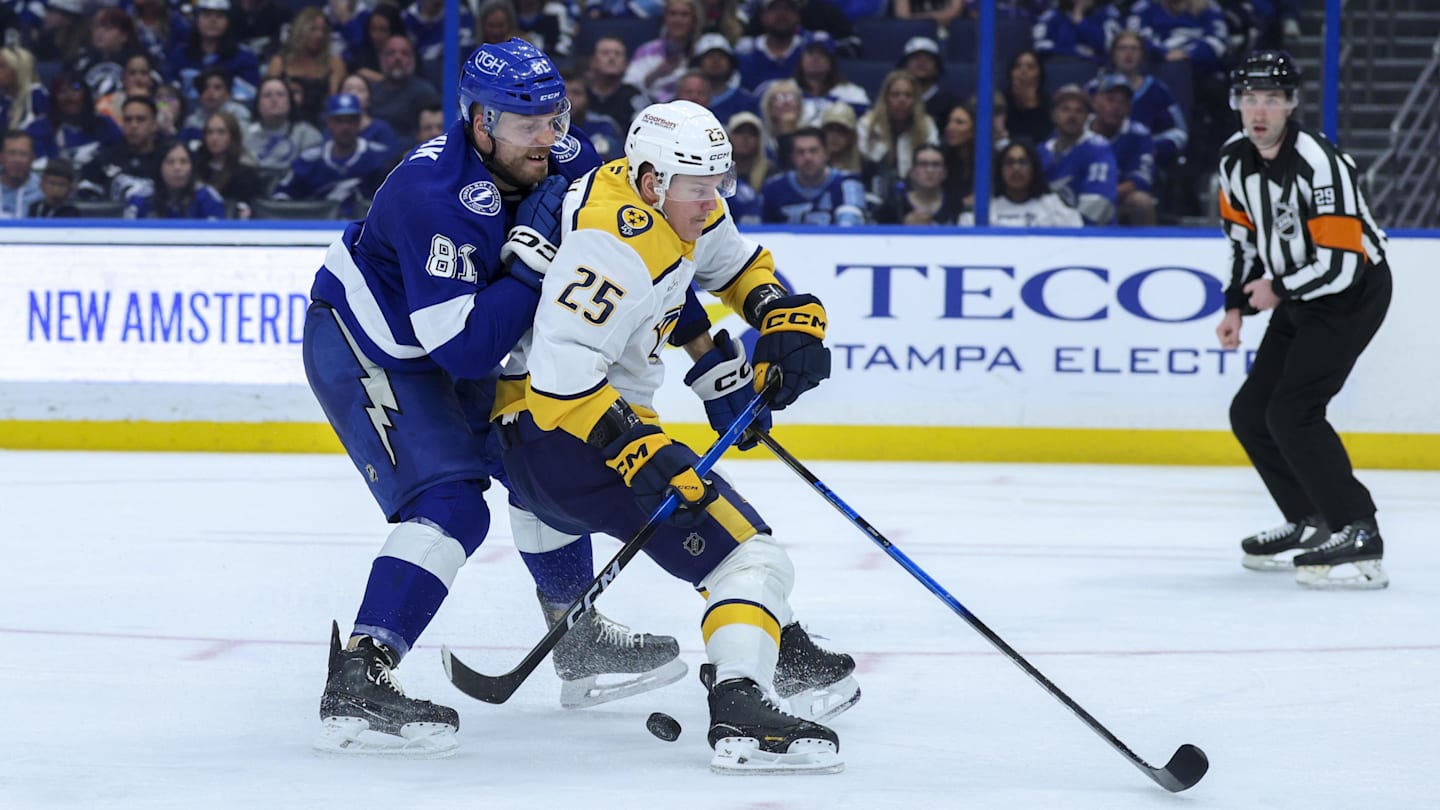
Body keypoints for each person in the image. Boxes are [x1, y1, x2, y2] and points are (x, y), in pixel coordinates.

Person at [302, 39, 686, 758]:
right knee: (451, 503)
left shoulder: (572, 158)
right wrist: (536, 261)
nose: (548, 138)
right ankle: (362, 670)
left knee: (541, 457)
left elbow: (639, 258)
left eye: (555, 116)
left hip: (453, 334)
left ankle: (576, 637)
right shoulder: (430, 198)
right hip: (369, 345)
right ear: (479, 123)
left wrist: (705, 352)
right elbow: (465, 350)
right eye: (524, 123)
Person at [495, 98, 847, 773]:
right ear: (653, 181)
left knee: (719, 528)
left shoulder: (676, 199)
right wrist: (633, 444)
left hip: (538, 455)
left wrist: (778, 315)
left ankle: (785, 648)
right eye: (700, 188)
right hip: (566, 437)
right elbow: (560, 375)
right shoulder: (609, 240)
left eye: (721, 184)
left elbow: (735, 267)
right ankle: (741, 703)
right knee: (752, 557)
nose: (713, 202)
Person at [1215, 51, 1392, 590]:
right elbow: (1244, 242)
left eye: (1271, 99)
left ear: (1290, 104)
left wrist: (1277, 291)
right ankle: (1309, 518)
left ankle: (1358, 527)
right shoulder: (1234, 161)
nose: (1259, 110)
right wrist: (1235, 305)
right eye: (1250, 99)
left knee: (1294, 410)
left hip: (1351, 294)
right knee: (1250, 412)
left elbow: (1342, 266)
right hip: (1299, 292)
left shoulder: (1319, 163)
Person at [271, 92, 392, 216]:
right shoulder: (309, 160)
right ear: (328, 122)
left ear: (359, 122)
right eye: (339, 121)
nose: (346, 127)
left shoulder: (379, 158)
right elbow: (281, 196)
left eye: (351, 121)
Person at [1036, 83, 1117, 225]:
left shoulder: (1097, 148)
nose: (1072, 116)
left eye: (1079, 111)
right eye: (1065, 109)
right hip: (1049, 230)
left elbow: (1099, 201)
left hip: (1092, 235)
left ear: (1087, 117)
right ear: (1054, 114)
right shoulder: (1041, 151)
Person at [959, 137, 1083, 227]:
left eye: (1022, 162)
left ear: (1034, 168)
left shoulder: (1054, 205)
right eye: (1009, 162)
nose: (1016, 168)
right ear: (1000, 170)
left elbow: (1076, 241)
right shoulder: (986, 208)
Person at [761, 124, 866, 225]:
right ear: (792, 157)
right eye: (800, 152)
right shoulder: (773, 188)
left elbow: (852, 229)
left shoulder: (847, 183)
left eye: (813, 151)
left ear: (826, 154)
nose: (807, 158)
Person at [124, 141, 227, 219]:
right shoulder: (140, 198)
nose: (177, 168)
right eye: (170, 162)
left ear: (192, 167)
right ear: (159, 167)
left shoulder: (207, 198)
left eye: (183, 162)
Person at [244, 75, 324, 171]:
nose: (274, 100)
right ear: (258, 103)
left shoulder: (307, 135)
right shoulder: (244, 134)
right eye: (267, 95)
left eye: (280, 94)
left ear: (290, 101)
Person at [1, 129, 41, 218]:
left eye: (23, 154)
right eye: (11, 153)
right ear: (1, 157)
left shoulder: (42, 190)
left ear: (32, 158)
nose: (17, 160)